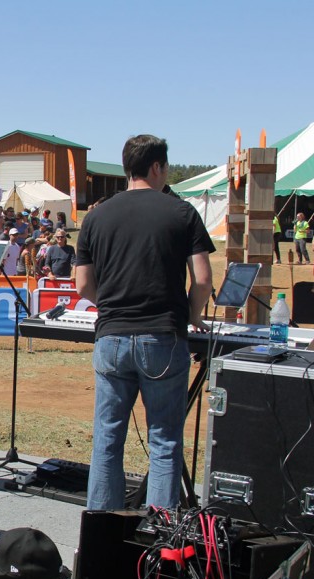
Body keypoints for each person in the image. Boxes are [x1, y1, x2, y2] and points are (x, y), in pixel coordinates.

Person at [75, 135, 214, 510]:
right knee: (164, 441)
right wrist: (194, 314)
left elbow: (83, 285)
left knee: (107, 439)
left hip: (112, 339)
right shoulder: (182, 211)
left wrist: (114, 304)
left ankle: (100, 536)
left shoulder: (96, 215)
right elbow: (202, 280)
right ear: (157, 167)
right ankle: (159, 541)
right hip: (163, 339)